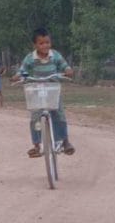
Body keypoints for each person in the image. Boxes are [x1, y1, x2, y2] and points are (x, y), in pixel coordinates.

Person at [11, 27, 74, 157]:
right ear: (35, 45)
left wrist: (68, 70)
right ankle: (36, 145)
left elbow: (64, 66)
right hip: (36, 92)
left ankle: (65, 141)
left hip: (53, 90)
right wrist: (18, 76)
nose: (45, 45)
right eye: (41, 43)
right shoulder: (30, 59)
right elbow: (23, 71)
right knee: (35, 118)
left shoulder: (55, 55)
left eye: (47, 42)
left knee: (59, 114)